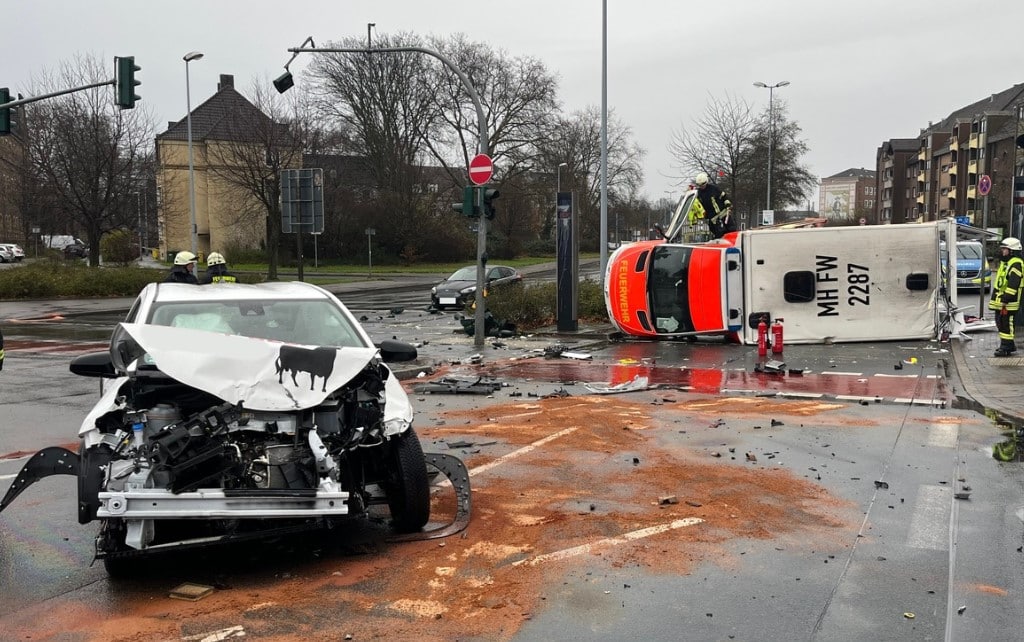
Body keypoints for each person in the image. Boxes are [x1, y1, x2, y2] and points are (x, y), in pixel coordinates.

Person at [988, 237, 1024, 356]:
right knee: (1001, 323)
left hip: (1009, 302)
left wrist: (1006, 299)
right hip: (1003, 301)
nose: (1002, 251)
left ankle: (1006, 347)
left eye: (1005, 249)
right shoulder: (1007, 263)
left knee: (1007, 324)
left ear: (1012, 250)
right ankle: (1008, 345)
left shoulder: (1016, 264)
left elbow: (1013, 284)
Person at [694, 172, 735, 239]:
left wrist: (728, 204)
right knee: (718, 234)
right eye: (699, 185)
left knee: (731, 230)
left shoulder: (713, 189)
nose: (701, 186)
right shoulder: (699, 194)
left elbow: (723, 196)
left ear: (706, 182)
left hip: (723, 214)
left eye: (703, 184)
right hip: (713, 218)